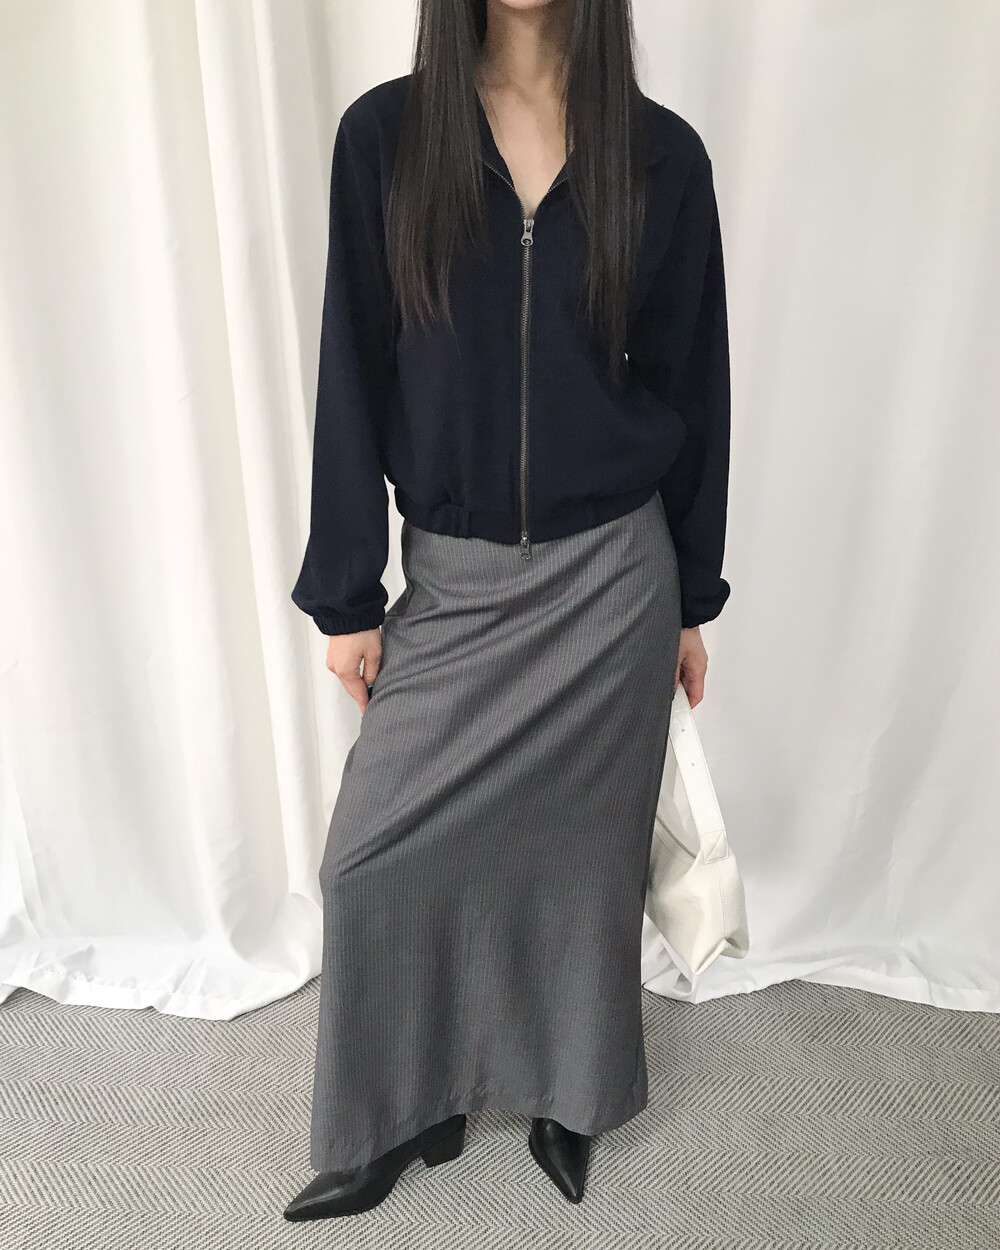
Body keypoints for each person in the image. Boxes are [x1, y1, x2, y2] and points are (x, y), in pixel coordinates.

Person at [284, 0, 731, 1221]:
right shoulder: (386, 141)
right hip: (457, 577)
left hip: (613, 585)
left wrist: (691, 597)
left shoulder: (659, 156)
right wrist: (346, 594)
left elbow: (692, 383)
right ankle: (396, 1108)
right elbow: (351, 371)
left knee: (581, 868)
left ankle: (568, 1094)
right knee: (370, 857)